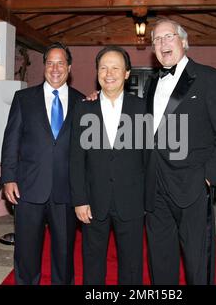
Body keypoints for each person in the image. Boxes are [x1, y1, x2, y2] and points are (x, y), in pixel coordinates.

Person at [144, 19, 216, 285]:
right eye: (157, 39)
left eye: (169, 36)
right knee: (160, 258)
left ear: (184, 41)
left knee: (198, 263)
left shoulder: (209, 78)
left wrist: (209, 177)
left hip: (192, 186)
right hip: (155, 187)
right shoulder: (152, 83)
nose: (163, 43)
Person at [1, 42, 83, 285]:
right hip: (28, 188)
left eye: (60, 63)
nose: (55, 68)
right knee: (26, 252)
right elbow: (10, 141)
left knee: (64, 254)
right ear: (44, 66)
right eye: (50, 63)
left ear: (69, 67)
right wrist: (8, 178)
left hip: (67, 190)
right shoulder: (23, 98)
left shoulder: (84, 102)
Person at [69, 46, 146, 285]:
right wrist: (80, 199)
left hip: (132, 201)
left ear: (126, 73)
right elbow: (76, 158)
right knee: (92, 262)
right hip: (93, 201)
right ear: (97, 73)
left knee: (132, 264)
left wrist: (148, 199)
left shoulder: (143, 108)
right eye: (103, 67)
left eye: (115, 67)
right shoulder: (83, 108)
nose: (109, 73)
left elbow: (150, 157)